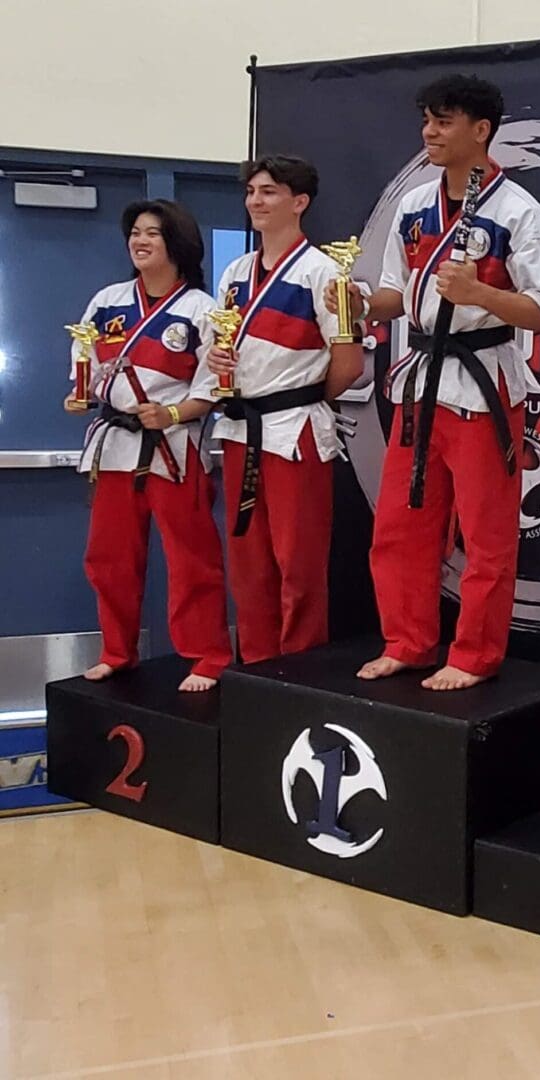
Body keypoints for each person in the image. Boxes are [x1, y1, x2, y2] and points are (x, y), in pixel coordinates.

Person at [331, 74, 540, 691]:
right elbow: (391, 295)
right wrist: (354, 300)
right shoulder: (413, 207)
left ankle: (475, 654)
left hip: (484, 385)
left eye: (444, 121)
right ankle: (407, 640)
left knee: (487, 535)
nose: (429, 133)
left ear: (481, 130)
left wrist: (480, 294)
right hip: (419, 386)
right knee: (402, 527)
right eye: (427, 122)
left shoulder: (520, 211)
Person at [64, 199, 232, 692]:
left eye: (152, 233)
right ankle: (117, 650)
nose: (139, 241)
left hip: (174, 448)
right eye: (134, 232)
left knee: (192, 558)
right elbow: (86, 361)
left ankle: (207, 654)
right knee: (108, 556)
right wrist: (80, 392)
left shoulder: (202, 309)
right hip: (115, 444)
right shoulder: (108, 300)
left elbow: (215, 385)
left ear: (176, 242)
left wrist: (174, 413)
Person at [206, 155, 362, 663]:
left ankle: (300, 671)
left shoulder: (325, 273)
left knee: (298, 562)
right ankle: (255, 665)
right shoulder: (234, 271)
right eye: (252, 191)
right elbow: (221, 342)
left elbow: (349, 363)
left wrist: (302, 395)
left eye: (269, 191)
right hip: (239, 427)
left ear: (300, 202)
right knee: (249, 561)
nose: (256, 200)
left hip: (295, 431)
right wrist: (216, 357)